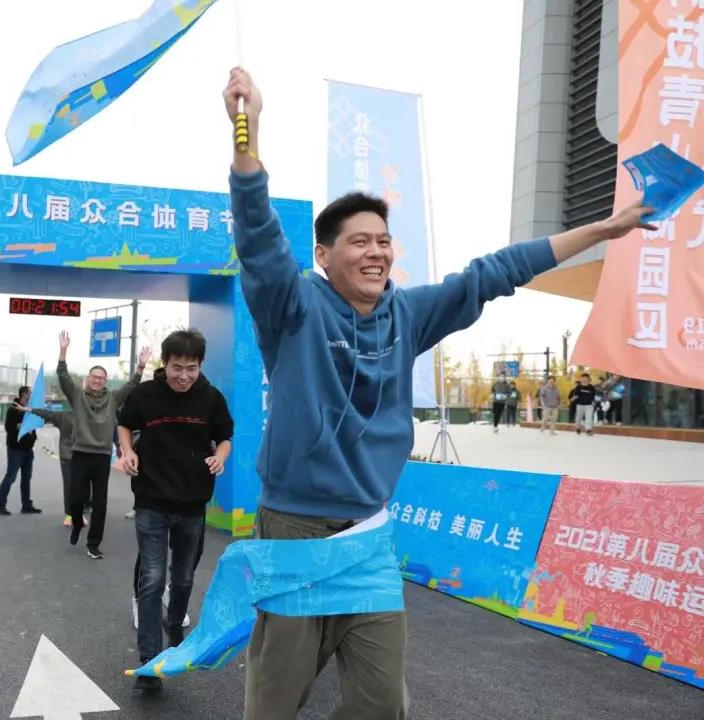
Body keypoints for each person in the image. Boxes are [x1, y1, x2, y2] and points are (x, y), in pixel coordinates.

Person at [222, 67, 653, 719]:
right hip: (295, 531)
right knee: (275, 703)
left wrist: (600, 231)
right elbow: (258, 239)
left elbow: (495, 273)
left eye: (383, 241)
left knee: (381, 705)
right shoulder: (294, 307)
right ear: (324, 255)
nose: (376, 252)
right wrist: (246, 129)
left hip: (367, 535)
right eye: (359, 241)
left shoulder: (409, 313)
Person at [118, 329, 233, 693]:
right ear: (164, 363)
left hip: (192, 503)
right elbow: (125, 424)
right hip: (151, 498)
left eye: (192, 368)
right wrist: (127, 451)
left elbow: (225, 437)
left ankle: (174, 629)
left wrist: (220, 457)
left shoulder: (211, 398)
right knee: (152, 578)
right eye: (177, 368)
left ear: (200, 366)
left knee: (182, 579)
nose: (184, 376)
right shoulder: (145, 394)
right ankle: (150, 663)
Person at [58, 331, 149, 559]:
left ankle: (93, 544)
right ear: (88, 378)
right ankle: (77, 523)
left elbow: (131, 385)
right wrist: (63, 350)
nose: (97, 380)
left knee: (100, 503)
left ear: (105, 381)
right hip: (80, 454)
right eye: (94, 377)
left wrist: (140, 366)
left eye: (101, 378)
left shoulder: (113, 398)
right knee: (76, 499)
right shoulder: (77, 396)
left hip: (101, 456)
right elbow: (63, 376)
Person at [16, 402, 77, 526]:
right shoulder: (66, 416)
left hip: (79, 457)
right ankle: (70, 515)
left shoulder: (70, 416)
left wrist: (27, 409)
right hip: (70, 457)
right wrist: (28, 409)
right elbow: (46, 413)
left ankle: (74, 514)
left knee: (75, 487)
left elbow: (45, 413)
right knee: (71, 486)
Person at [0, 386, 43, 515]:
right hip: (15, 449)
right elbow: (9, 427)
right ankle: (0, 505)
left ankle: (26, 505)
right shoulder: (14, 408)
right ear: (24, 394)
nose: (31, 396)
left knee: (26, 478)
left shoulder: (29, 409)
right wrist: (22, 426)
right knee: (11, 477)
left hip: (28, 449)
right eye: (30, 393)